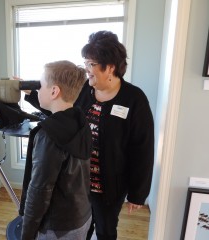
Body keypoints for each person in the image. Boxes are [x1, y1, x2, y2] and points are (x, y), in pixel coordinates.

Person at [23, 31, 155, 240]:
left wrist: (138, 193)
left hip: (110, 186)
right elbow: (61, 114)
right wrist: (31, 94)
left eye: (91, 64)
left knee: (105, 230)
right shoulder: (84, 89)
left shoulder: (134, 99)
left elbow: (143, 149)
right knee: (83, 228)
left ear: (110, 66)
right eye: (85, 63)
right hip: (78, 183)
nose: (86, 69)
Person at [19, 60, 93, 240]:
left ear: (54, 91)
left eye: (41, 85)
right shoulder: (81, 122)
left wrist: (27, 234)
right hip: (82, 216)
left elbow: (39, 191)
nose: (38, 90)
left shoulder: (48, 136)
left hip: (58, 227)